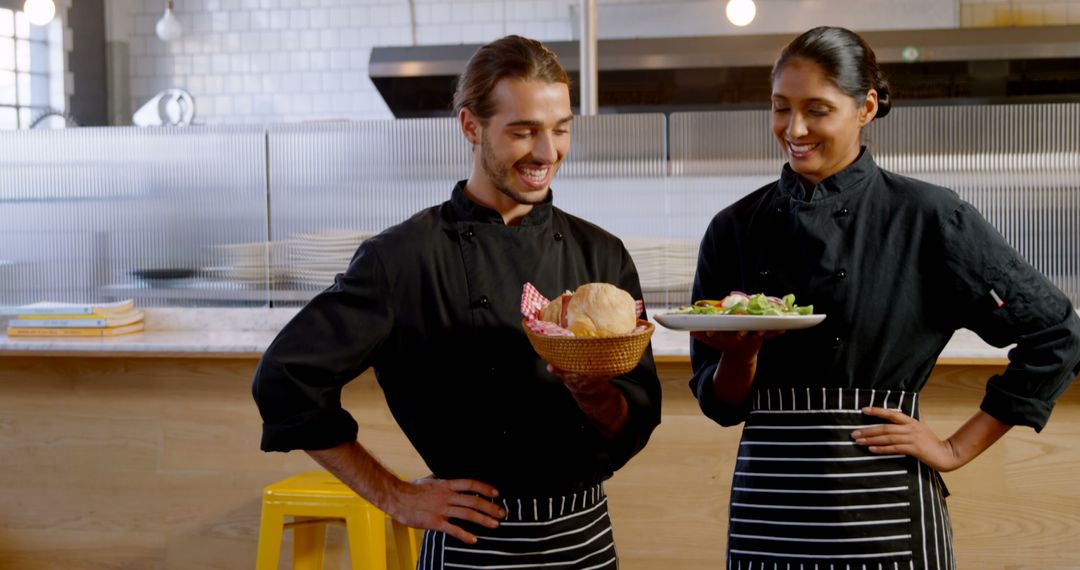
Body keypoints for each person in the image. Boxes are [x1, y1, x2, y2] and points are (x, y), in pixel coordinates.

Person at [252, 35, 661, 569]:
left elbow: (636, 416)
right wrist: (393, 494)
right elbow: (285, 383)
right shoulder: (402, 258)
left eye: (560, 129)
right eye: (522, 131)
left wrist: (592, 392)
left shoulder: (600, 256)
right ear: (470, 126)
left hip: (584, 540)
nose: (546, 152)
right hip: (472, 548)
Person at [689, 26, 1080, 569]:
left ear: (866, 106)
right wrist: (740, 353)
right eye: (781, 108)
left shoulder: (928, 218)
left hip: (886, 512)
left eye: (817, 110)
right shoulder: (734, 228)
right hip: (769, 513)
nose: (794, 128)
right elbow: (720, 406)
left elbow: (1056, 333)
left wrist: (954, 449)